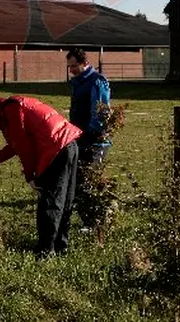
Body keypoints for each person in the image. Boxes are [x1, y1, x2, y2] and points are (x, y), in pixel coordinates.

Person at [0, 93, 82, 259]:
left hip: (55, 149)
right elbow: (14, 146)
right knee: (65, 199)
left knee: (50, 202)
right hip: (69, 144)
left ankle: (45, 251)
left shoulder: (11, 111)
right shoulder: (16, 105)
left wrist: (31, 177)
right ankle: (60, 246)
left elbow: (22, 147)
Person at [65, 48, 112, 230]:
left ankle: (95, 223)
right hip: (79, 137)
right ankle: (95, 221)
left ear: (85, 63)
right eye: (69, 67)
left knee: (86, 181)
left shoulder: (96, 81)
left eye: (74, 66)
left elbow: (101, 111)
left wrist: (94, 134)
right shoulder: (78, 83)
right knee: (81, 180)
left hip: (93, 140)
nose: (71, 70)